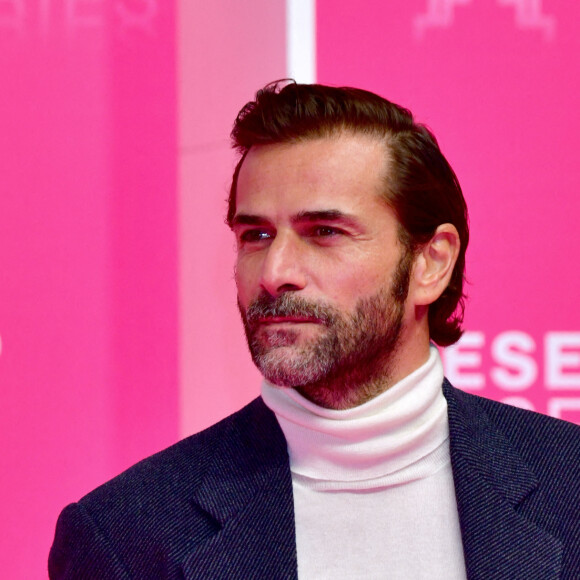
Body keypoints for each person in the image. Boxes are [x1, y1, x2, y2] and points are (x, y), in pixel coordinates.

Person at [49, 82, 580, 579]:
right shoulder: (126, 535)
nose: (276, 273)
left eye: (324, 232)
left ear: (430, 264)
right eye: (255, 235)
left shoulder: (568, 486)